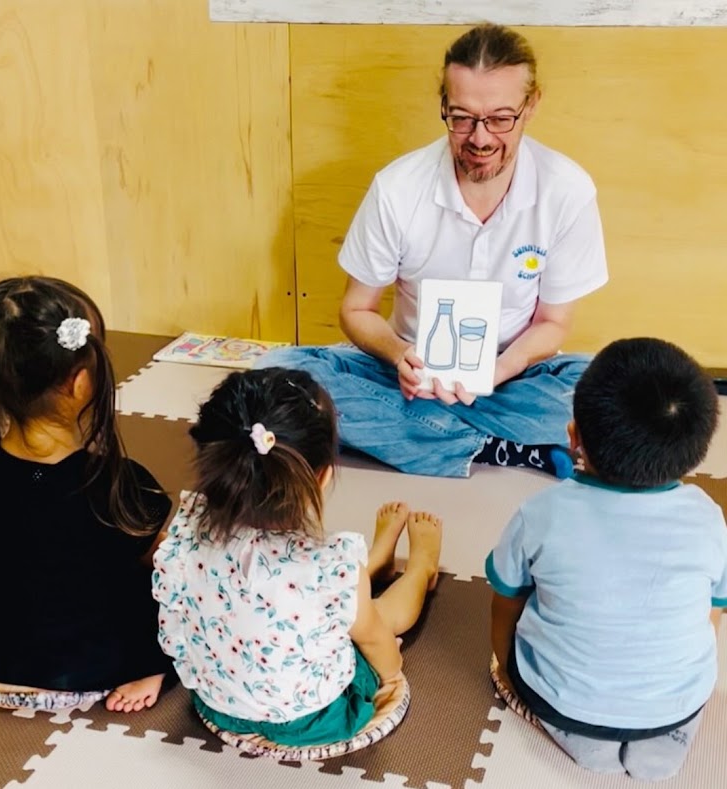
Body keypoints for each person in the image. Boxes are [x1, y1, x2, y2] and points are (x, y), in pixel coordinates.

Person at [257, 23, 608, 479]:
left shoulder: (567, 190)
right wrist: (399, 354)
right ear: (443, 104)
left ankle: (426, 436)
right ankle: (504, 447)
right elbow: (357, 310)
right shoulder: (398, 188)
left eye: (501, 118)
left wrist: (497, 371)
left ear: (532, 105)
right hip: (407, 375)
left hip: (514, 375)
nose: (480, 138)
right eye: (462, 118)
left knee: (610, 386)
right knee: (274, 372)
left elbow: (553, 323)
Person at [152, 367, 442, 746]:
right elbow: (374, 642)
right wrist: (390, 675)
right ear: (321, 477)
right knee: (375, 616)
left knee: (336, 595)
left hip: (220, 703)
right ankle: (421, 569)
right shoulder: (327, 566)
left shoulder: (185, 532)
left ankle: (377, 559)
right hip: (313, 718)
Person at [0, 276, 173, 713]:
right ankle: (147, 667)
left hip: (2, 645)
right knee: (166, 584)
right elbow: (159, 567)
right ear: (78, 383)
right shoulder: (122, 483)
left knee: (6, 583)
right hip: (97, 659)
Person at [486, 337, 725, 781]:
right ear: (696, 453)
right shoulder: (708, 518)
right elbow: (713, 610)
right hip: (677, 702)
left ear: (573, 436)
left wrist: (505, 667)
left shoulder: (541, 514)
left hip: (563, 701)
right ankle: (661, 732)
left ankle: (581, 734)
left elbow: (506, 599)